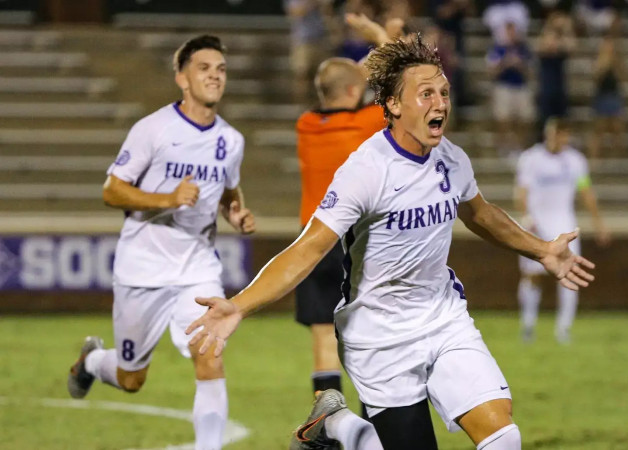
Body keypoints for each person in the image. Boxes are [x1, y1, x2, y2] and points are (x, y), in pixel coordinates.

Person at [186, 35, 595, 450]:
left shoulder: (452, 159)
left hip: (443, 319)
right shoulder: (366, 171)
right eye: (426, 94)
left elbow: (481, 214)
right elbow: (308, 248)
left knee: (504, 439)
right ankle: (335, 424)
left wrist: (542, 249)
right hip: (379, 336)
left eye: (444, 93)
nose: (440, 103)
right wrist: (239, 305)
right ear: (394, 106)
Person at [67, 35, 256, 450]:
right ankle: (93, 361)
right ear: (182, 79)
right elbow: (112, 191)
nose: (215, 76)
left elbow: (227, 191)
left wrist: (235, 213)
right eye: (204, 68)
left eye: (221, 69)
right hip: (142, 269)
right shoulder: (152, 129)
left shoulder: (231, 141)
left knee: (210, 352)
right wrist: (166, 199)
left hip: (197, 267)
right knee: (132, 378)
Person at [294, 14, 390, 404]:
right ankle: (376, 420)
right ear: (355, 90)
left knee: (322, 334)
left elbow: (345, 83)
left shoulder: (306, 125)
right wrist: (381, 37)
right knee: (367, 335)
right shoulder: (367, 124)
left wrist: (355, 71)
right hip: (355, 244)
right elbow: (393, 83)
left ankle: (327, 422)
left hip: (313, 241)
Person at [515, 118, 610, 344]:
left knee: (570, 274)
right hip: (537, 225)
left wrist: (599, 224)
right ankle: (528, 324)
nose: (561, 139)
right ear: (548, 134)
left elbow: (586, 191)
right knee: (533, 276)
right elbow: (521, 192)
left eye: (565, 134)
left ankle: (563, 329)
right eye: (558, 133)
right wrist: (527, 218)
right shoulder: (531, 159)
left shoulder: (576, 161)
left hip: (565, 225)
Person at [486, 21, 534, 155]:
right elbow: (491, 72)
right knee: (503, 118)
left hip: (521, 86)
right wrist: (505, 63)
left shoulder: (524, 49)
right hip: (504, 86)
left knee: (524, 118)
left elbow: (531, 72)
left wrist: (520, 65)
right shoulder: (498, 49)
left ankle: (519, 146)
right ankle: (504, 146)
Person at [535, 11, 576, 141]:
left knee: (562, 120)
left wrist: (566, 29)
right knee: (546, 121)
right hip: (547, 88)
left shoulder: (563, 41)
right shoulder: (545, 38)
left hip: (560, 88)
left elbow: (571, 47)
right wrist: (552, 26)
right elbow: (547, 46)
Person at [588, 35, 625, 164]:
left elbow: (623, 75)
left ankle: (616, 161)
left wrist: (614, 63)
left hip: (614, 95)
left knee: (617, 129)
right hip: (602, 96)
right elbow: (596, 77)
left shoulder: (617, 60)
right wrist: (603, 64)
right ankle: (595, 161)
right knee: (599, 130)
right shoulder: (598, 60)